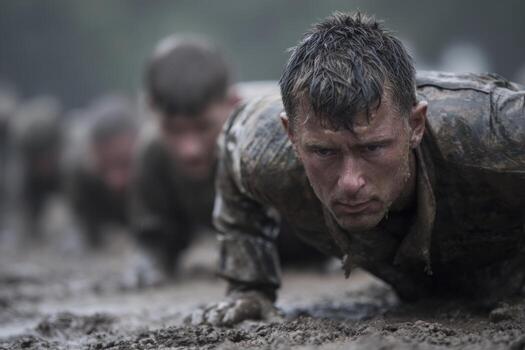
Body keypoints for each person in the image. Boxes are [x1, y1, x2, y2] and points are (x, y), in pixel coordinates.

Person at [191, 12, 525, 326]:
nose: (350, 182)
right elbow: (233, 145)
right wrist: (250, 286)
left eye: (373, 148)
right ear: (290, 134)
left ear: (416, 124)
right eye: (324, 151)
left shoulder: (493, 130)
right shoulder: (262, 147)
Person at [131, 36, 326, 286]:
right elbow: (154, 237)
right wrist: (152, 262)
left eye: (203, 127)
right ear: (151, 110)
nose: (189, 150)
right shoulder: (153, 153)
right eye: (174, 130)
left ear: (232, 102)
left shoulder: (279, 133)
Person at [64, 96, 138, 247]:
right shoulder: (78, 170)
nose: (115, 181)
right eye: (105, 166)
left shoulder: (156, 157)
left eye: (124, 163)